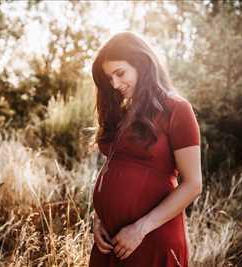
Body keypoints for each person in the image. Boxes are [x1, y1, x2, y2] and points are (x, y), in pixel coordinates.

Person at [88, 31, 202, 267]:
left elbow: (193, 184)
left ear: (142, 65)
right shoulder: (121, 112)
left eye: (120, 74)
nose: (115, 84)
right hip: (110, 241)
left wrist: (140, 229)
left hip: (151, 239)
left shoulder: (177, 109)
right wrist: (99, 219)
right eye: (109, 78)